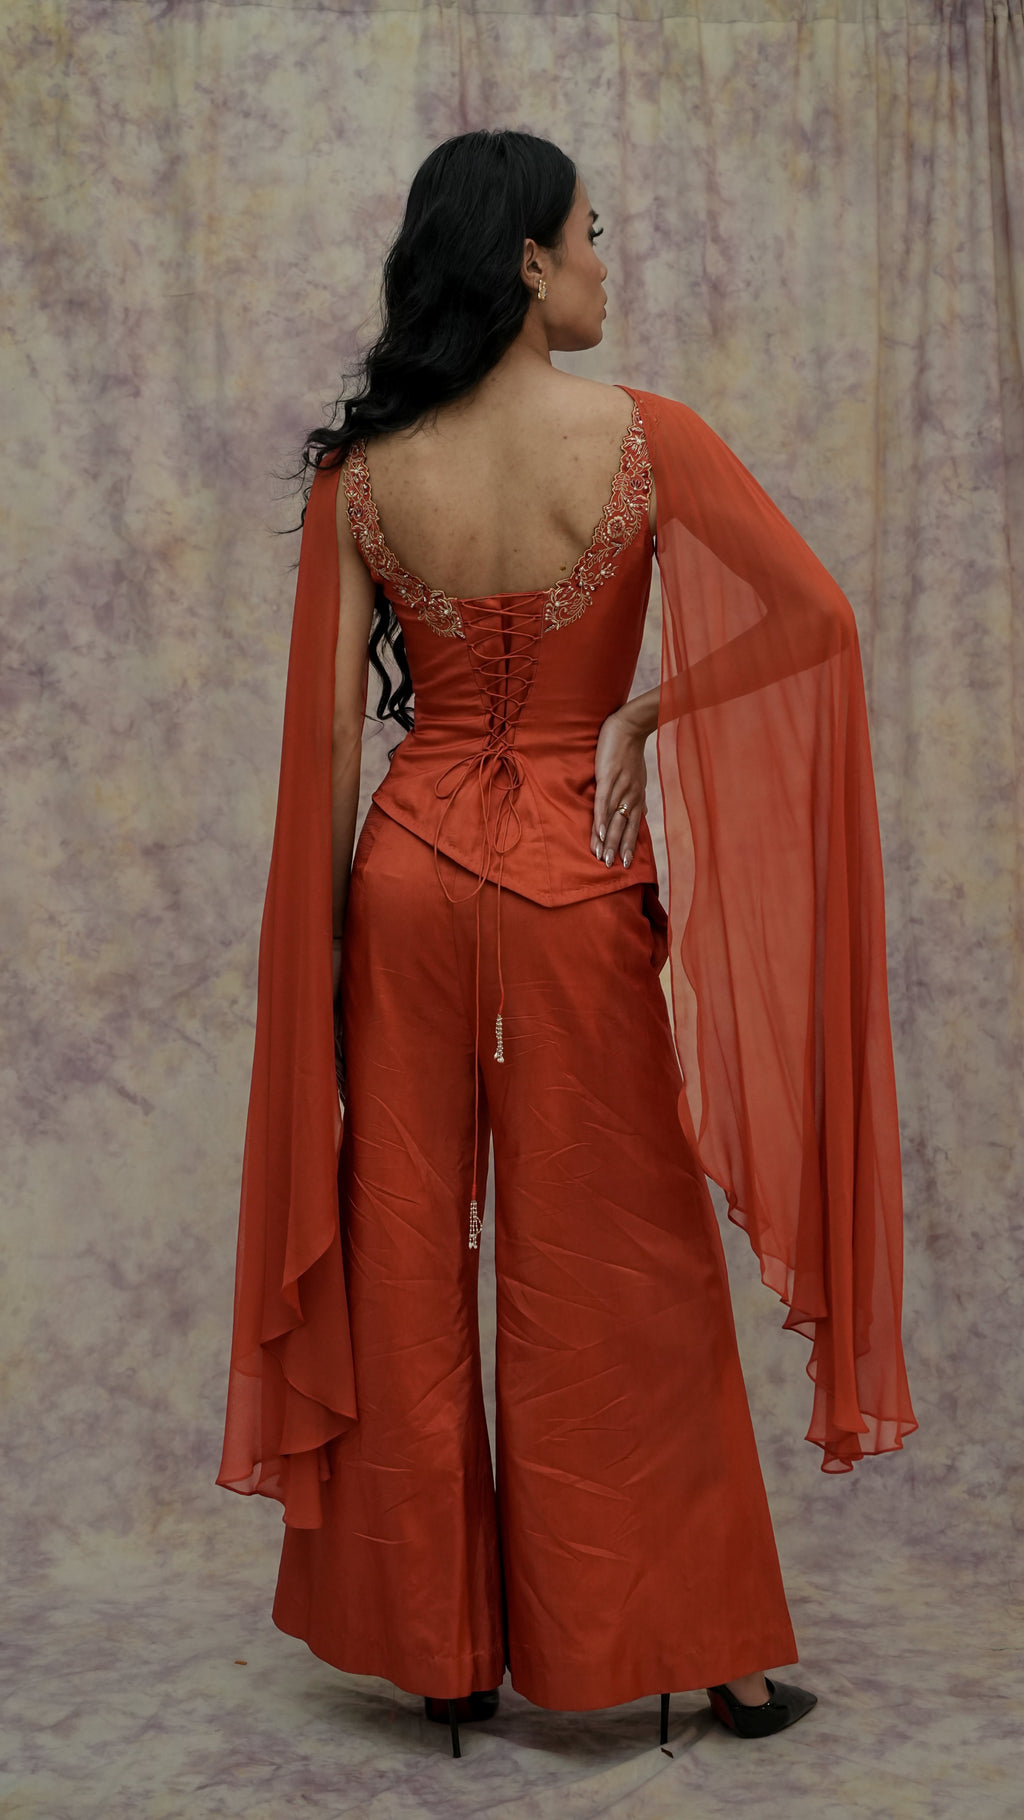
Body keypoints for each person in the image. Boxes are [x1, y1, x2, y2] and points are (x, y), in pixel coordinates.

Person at [216, 130, 917, 1757]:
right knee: (615, 1265)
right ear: (530, 261)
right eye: (592, 234)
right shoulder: (647, 441)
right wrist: (646, 715)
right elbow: (816, 619)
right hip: (570, 891)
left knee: (402, 1254)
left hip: (400, 882)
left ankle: (444, 1650)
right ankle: (714, 1662)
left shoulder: (363, 473)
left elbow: (328, 748)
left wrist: (316, 977)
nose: (610, 259)